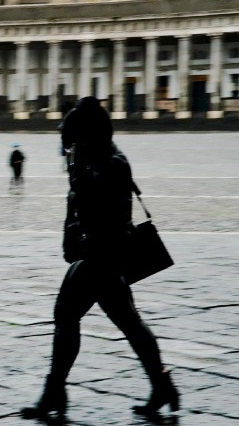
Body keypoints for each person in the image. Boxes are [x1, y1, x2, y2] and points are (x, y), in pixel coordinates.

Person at [22, 97, 178, 420]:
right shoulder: (101, 155)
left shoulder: (110, 164)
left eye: (72, 140)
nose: (67, 148)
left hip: (104, 255)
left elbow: (91, 202)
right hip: (103, 254)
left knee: (66, 315)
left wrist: (76, 169)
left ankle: (54, 393)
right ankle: (161, 384)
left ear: (87, 135)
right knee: (129, 322)